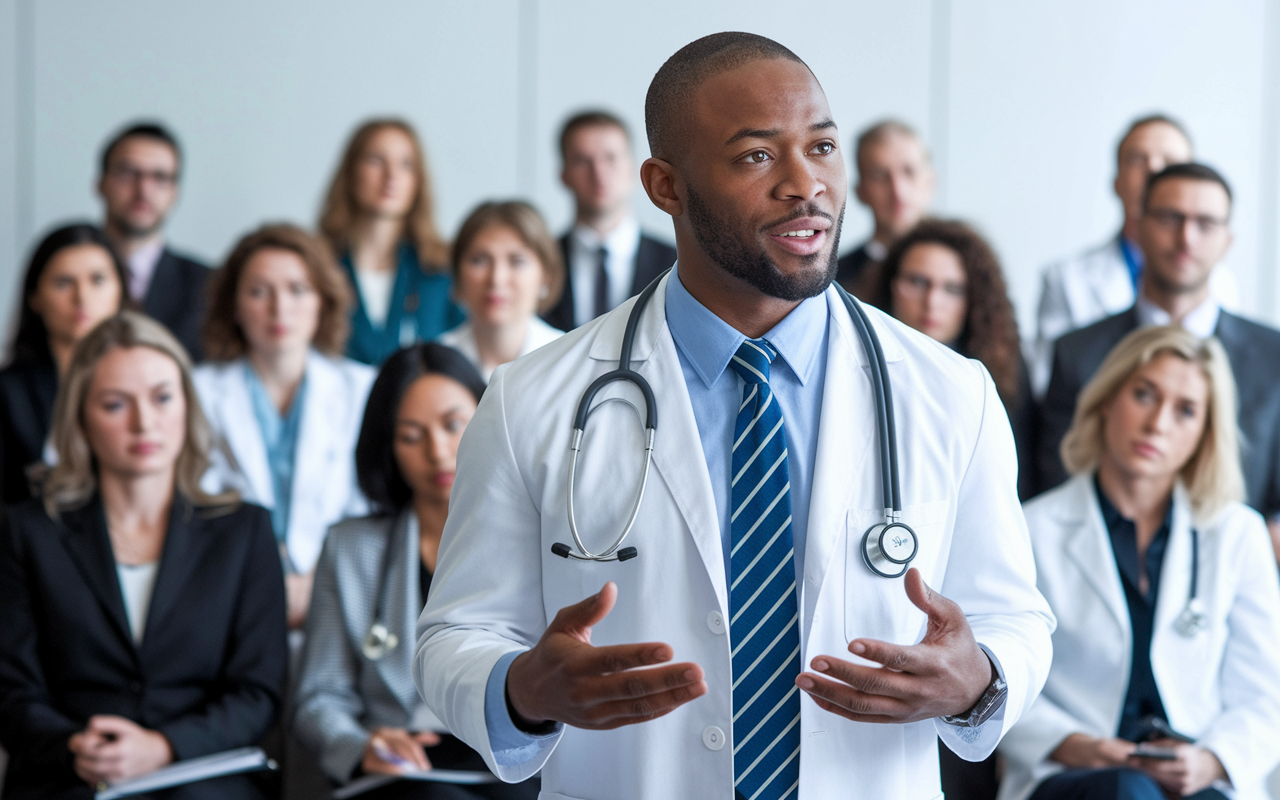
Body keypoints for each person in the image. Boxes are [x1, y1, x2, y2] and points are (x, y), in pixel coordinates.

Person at [414, 33, 1053, 799]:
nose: (805, 185)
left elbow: (1015, 619)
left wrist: (980, 676)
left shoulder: (952, 392)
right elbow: (455, 636)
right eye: (757, 156)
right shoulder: (529, 400)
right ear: (665, 186)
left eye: (821, 147)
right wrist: (520, 687)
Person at [0, 312, 287, 799]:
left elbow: (258, 692)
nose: (144, 422)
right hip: (70, 772)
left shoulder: (244, 531)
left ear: (187, 406)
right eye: (115, 404)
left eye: (162, 398)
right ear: (81, 420)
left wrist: (162, 746)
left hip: (201, 773)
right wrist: (77, 745)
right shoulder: (27, 531)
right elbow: (11, 688)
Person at [1000, 326, 1280, 800]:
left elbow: (1265, 696)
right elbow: (1000, 681)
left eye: (1185, 411)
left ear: (1204, 433)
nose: (1158, 424)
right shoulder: (1032, 529)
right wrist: (1083, 747)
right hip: (1073, 773)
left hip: (1198, 775)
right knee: (1127, 791)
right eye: (1144, 395)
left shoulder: (1236, 534)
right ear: (1108, 399)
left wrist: (1210, 761)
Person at [294, 343, 538, 799]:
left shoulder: (541, 536)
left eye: (453, 425)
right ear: (386, 446)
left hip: (513, 757)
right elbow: (319, 696)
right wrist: (360, 744)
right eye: (410, 435)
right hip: (402, 770)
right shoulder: (349, 548)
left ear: (490, 420)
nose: (438, 452)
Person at [1036, 163, 1280, 558]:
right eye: (1171, 218)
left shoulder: (1274, 357)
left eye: (1205, 223)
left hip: (1233, 575)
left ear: (1227, 240)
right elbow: (1055, 479)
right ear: (1137, 225)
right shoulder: (1077, 352)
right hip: (1093, 569)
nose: (1186, 237)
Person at [194, 224, 375, 630]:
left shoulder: (362, 390)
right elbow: (197, 508)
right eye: (259, 292)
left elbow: (372, 510)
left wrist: (320, 584)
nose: (280, 309)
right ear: (234, 305)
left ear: (323, 301)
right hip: (229, 602)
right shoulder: (194, 392)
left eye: (298, 289)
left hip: (340, 601)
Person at [1031, 115, 1238, 395]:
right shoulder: (1066, 279)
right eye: (1138, 159)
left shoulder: (1222, 283)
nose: (1154, 169)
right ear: (1116, 180)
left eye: (1170, 161)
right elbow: (1050, 386)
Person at [874, 218, 1036, 500]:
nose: (932, 302)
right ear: (891, 284)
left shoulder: (1003, 371)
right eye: (918, 282)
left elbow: (1020, 478)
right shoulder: (852, 360)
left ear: (974, 300)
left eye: (952, 289)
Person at [1, 223, 129, 504]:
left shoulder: (149, 382)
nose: (81, 297)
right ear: (34, 297)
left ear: (121, 289)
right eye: (63, 282)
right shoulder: (9, 392)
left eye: (97, 280)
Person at [319, 119, 464, 365]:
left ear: (418, 181)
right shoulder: (318, 267)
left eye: (406, 164)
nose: (391, 176)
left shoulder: (442, 271)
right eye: (376, 160)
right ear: (351, 172)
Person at [540, 110, 676, 331]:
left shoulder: (677, 264)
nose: (598, 173)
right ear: (563, 174)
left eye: (611, 158)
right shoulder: (539, 263)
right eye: (583, 161)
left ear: (634, 170)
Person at [97, 121, 210, 361]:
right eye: (128, 173)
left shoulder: (207, 285)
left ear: (174, 192)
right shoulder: (65, 271)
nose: (143, 189)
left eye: (160, 177)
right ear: (101, 183)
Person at [437, 202, 565, 382]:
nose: (497, 279)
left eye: (517, 261)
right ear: (457, 273)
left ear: (546, 276)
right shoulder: (434, 364)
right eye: (479, 260)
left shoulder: (567, 360)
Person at [835, 120, 936, 301]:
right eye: (879, 175)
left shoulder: (965, 270)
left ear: (930, 182)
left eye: (909, 172)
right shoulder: (835, 284)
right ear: (860, 191)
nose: (898, 191)